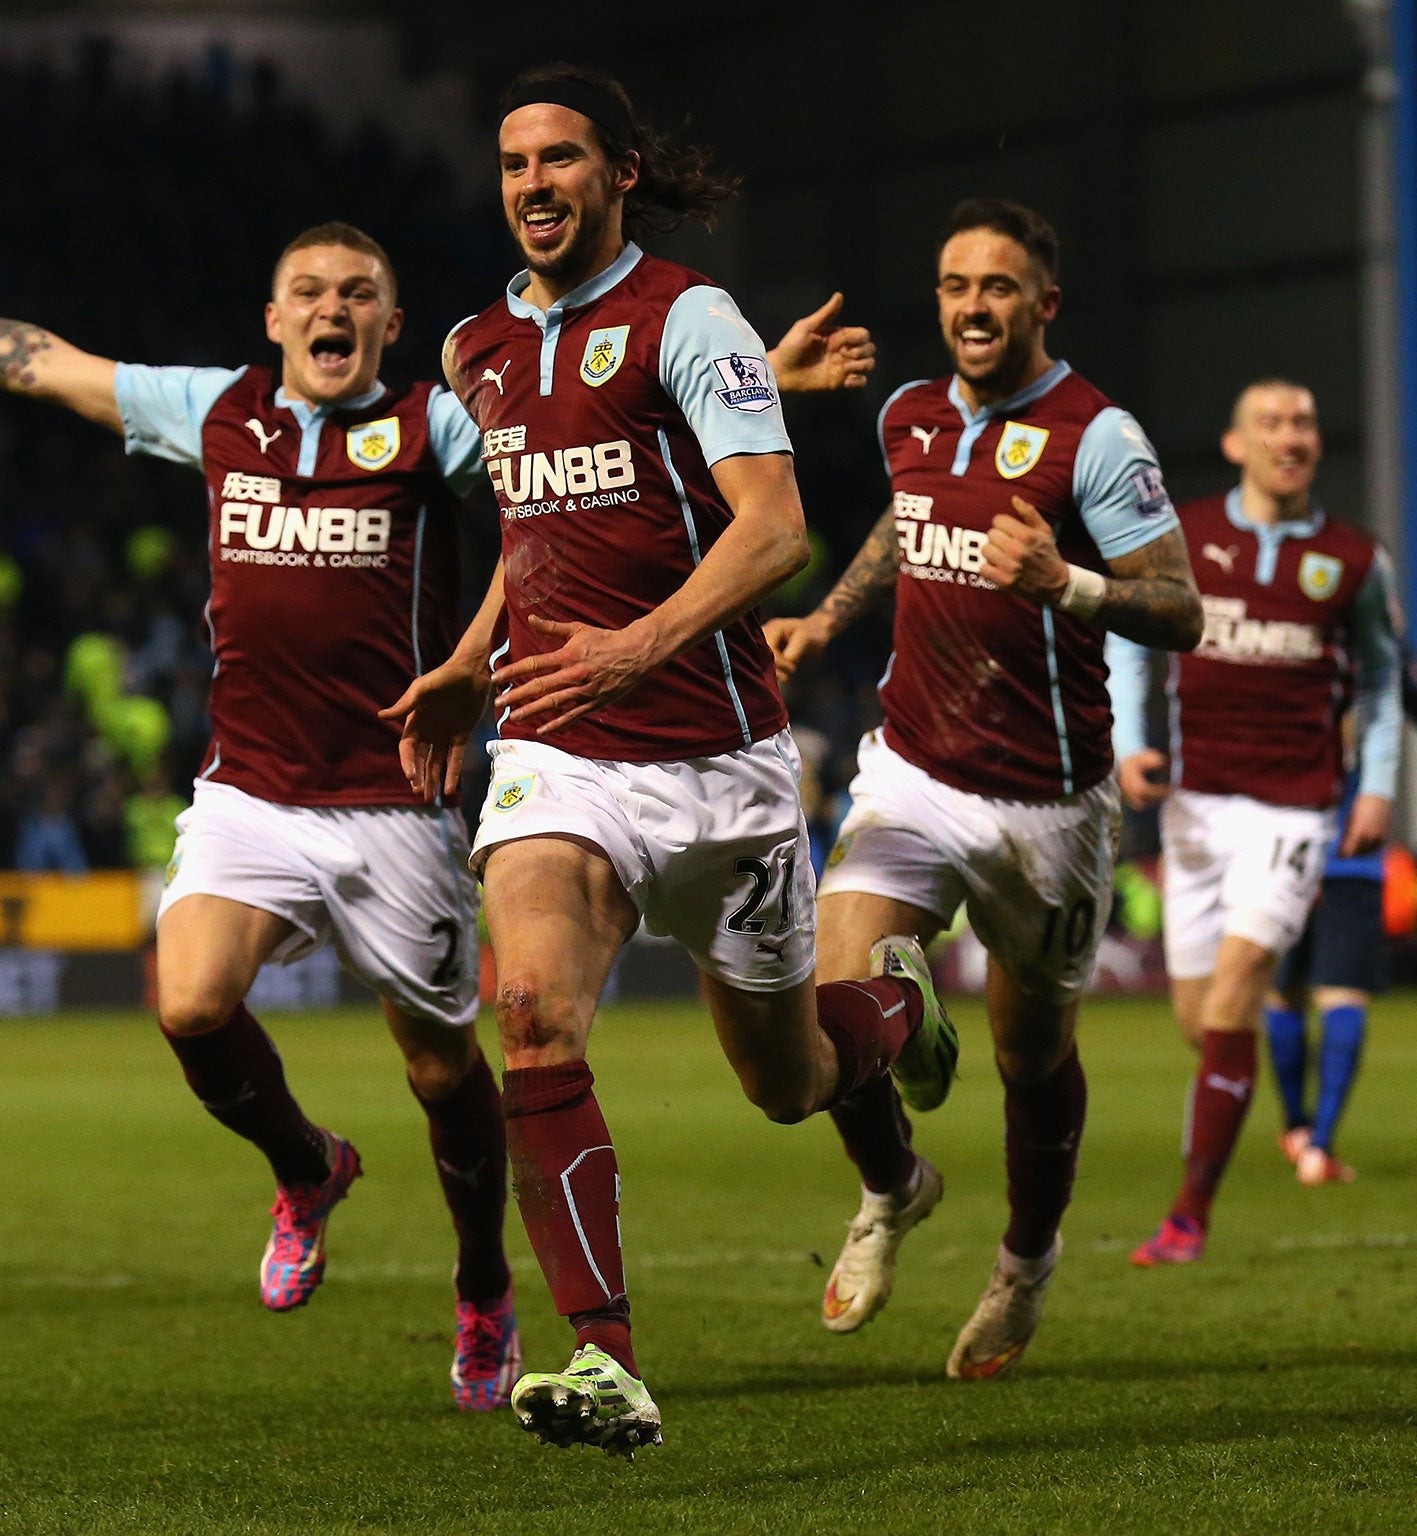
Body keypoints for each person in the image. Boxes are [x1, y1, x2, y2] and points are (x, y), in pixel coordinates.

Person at [0, 223, 526, 1407]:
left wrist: (471, 660)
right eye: (307, 291)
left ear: (391, 328)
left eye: (358, 294)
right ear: (274, 318)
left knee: (441, 1067)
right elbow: (41, 362)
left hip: (392, 804)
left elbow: (564, 481)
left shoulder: (432, 429)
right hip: (247, 788)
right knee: (190, 1001)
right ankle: (307, 1169)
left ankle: (484, 1287)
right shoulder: (219, 413)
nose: (331, 308)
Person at [385, 64, 957, 1456]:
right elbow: (536, 527)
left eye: (563, 158)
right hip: (560, 752)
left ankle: (884, 1005)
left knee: (789, 1082)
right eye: (516, 161)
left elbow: (772, 533)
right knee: (527, 1011)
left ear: (619, 173)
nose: (534, 182)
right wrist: (470, 664)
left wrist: (643, 644)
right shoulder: (476, 347)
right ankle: (605, 1358)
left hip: (719, 763)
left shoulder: (688, 314)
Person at [766, 197, 1203, 1378]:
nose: (970, 306)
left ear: (1042, 304)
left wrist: (1066, 582)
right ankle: (891, 1184)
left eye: (997, 287)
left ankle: (1023, 1264)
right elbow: (903, 533)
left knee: (1029, 1060)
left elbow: (1180, 608)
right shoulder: (910, 415)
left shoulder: (1093, 436)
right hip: (912, 769)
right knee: (826, 988)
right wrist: (823, 617)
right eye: (956, 284)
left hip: (1048, 808)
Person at [1107, 378, 1402, 1266]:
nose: (1291, 435)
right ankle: (1266, 1117)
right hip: (1195, 807)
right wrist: (1130, 743)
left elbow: (1384, 680)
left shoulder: (1354, 559)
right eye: (1270, 422)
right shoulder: (1189, 537)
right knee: (1203, 1023)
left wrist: (1378, 784)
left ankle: (1188, 1215)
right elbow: (1129, 636)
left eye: (1304, 421)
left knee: (1237, 992)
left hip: (1295, 808)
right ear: (1236, 444)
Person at [1266, 642, 1417, 1184]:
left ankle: (1299, 1130)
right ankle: (1317, 1145)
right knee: (1336, 996)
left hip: (1280, 848)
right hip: (1349, 852)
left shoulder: (1285, 638)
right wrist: (1402, 652)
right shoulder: (1375, 656)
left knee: (1283, 994)